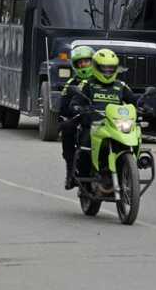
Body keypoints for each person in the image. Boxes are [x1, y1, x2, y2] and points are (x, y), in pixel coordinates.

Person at [69, 49, 139, 178]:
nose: (107, 72)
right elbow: (75, 102)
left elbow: (134, 102)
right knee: (85, 147)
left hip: (116, 125)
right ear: (96, 67)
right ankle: (84, 177)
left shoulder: (121, 86)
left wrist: (144, 107)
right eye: (104, 68)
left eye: (111, 69)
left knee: (135, 135)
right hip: (94, 126)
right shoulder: (87, 84)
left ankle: (128, 170)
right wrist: (78, 107)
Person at [59, 45, 95, 190]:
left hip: (104, 118)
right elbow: (63, 107)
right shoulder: (71, 84)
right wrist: (75, 110)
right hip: (81, 119)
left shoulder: (101, 80)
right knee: (67, 127)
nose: (83, 65)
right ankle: (70, 171)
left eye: (86, 61)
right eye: (80, 63)